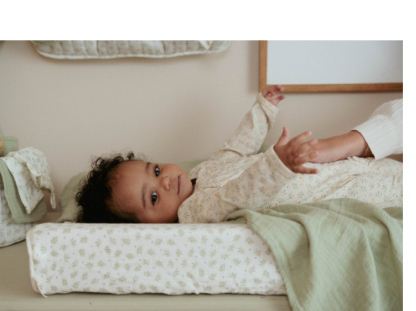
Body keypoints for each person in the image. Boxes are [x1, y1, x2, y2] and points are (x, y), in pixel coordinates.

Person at [76, 86, 402, 224]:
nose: (166, 183)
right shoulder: (194, 212)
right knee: (391, 187)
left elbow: (236, 147)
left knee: (382, 165)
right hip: (343, 190)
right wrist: (278, 164)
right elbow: (240, 194)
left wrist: (263, 110)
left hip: (344, 167)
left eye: (157, 171)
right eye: (153, 198)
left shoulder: (200, 173)